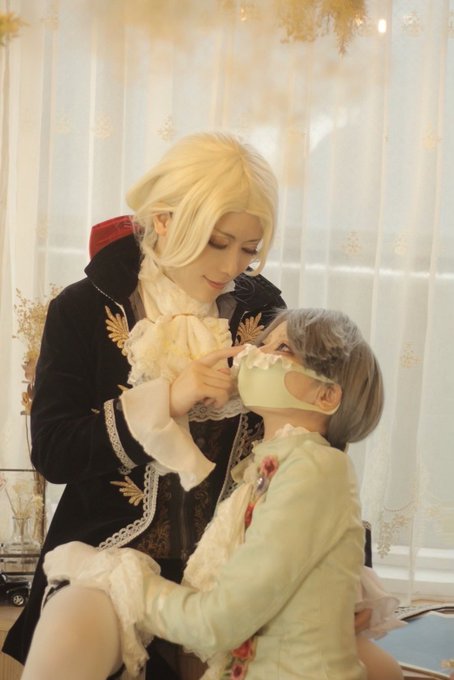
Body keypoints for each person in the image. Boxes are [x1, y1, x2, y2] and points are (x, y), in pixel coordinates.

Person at [2, 131, 286, 679]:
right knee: (65, 652)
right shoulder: (82, 309)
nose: (233, 266)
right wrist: (168, 400)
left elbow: (302, 443)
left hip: (239, 564)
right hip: (110, 558)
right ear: (164, 220)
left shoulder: (266, 314)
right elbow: (54, 452)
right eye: (217, 242)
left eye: (249, 249)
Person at [20, 308, 404, 680]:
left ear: (326, 396)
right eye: (263, 342)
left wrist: (121, 578)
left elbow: (217, 622)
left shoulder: (312, 469)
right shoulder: (272, 465)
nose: (252, 351)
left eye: (282, 348)